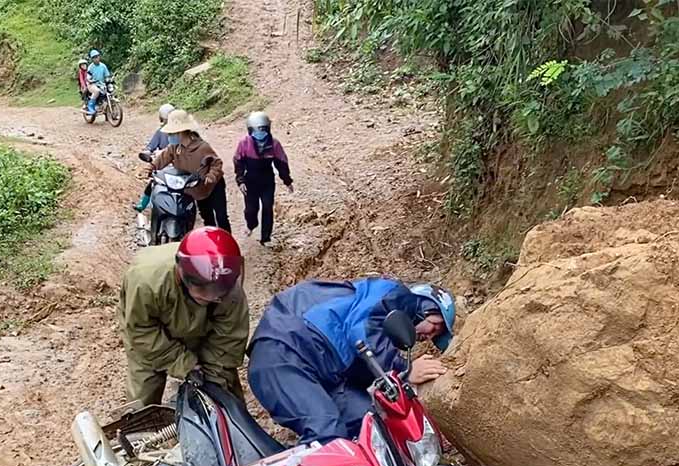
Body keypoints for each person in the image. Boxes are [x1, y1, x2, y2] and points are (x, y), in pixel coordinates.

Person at [247, 280, 455, 444]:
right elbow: (360, 331)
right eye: (435, 327)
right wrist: (405, 369)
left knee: (370, 422)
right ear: (427, 308)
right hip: (285, 348)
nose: (429, 337)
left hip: (324, 369)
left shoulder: (384, 336)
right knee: (327, 430)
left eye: (435, 337)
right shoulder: (393, 294)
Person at [119, 227, 249, 406]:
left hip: (204, 330)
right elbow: (142, 331)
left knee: (225, 392)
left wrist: (212, 384)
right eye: (204, 290)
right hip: (153, 335)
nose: (212, 297)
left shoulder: (230, 291)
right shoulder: (146, 282)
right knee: (144, 391)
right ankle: (140, 423)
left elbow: (227, 343)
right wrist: (184, 364)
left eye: (217, 292)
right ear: (183, 275)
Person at [149, 110, 232, 232]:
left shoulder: (202, 147)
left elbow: (216, 163)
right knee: (207, 217)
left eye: (172, 133)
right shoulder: (174, 148)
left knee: (221, 217)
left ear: (182, 132)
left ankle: (227, 240)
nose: (170, 136)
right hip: (197, 188)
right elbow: (162, 158)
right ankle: (212, 241)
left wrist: (211, 176)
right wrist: (150, 167)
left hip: (214, 186)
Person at [233, 112, 293, 247]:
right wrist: (241, 181)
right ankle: (251, 225)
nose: (260, 133)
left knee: (267, 207)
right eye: (257, 130)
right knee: (251, 209)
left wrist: (287, 181)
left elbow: (281, 163)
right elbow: (238, 162)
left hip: (267, 181)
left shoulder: (274, 144)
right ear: (250, 130)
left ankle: (266, 238)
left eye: (263, 129)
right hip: (250, 181)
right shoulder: (244, 143)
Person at [135, 103, 177, 212]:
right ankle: (142, 204)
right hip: (164, 166)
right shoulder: (160, 132)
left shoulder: (181, 133)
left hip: (178, 165)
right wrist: (147, 152)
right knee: (153, 183)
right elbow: (150, 147)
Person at [85, 49, 111, 116]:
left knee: (110, 91)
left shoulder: (103, 66)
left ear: (99, 57)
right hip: (92, 84)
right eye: (94, 57)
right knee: (97, 91)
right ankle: (90, 106)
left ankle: (109, 111)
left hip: (101, 84)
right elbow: (88, 77)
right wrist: (90, 80)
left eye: (97, 56)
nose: (96, 59)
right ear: (92, 59)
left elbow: (107, 75)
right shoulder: (91, 67)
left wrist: (108, 79)